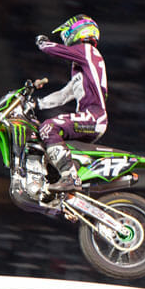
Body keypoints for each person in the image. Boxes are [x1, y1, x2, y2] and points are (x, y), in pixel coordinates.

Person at [33, 14, 108, 192]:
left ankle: (70, 178)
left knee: (48, 127)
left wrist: (42, 43)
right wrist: (37, 104)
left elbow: (54, 50)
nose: (64, 39)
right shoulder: (83, 65)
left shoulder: (88, 51)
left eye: (65, 34)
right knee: (42, 139)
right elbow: (64, 95)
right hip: (89, 118)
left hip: (93, 117)